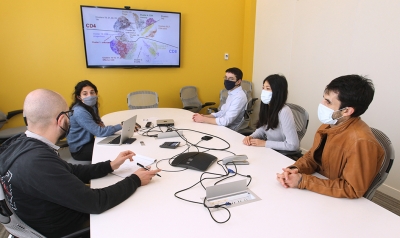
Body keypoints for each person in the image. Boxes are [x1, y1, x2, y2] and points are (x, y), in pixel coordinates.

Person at [0, 89, 161, 237]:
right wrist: (135, 180)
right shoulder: (36, 162)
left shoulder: (21, 144)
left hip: (44, 217)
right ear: (62, 119)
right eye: (69, 114)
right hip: (67, 229)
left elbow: (70, 170)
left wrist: (110, 165)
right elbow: (95, 203)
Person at [276, 75, 384, 198]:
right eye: (324, 99)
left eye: (328, 102)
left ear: (347, 111)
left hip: (340, 203)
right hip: (321, 190)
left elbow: (352, 189)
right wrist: (295, 170)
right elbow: (312, 157)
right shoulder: (328, 125)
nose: (322, 104)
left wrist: (302, 181)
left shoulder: (362, 142)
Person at [67, 80, 122, 161]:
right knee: (115, 150)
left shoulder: (92, 106)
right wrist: (120, 126)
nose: (90, 96)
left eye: (92, 92)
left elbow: (99, 123)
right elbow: (99, 132)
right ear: (79, 97)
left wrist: (100, 128)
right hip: (80, 149)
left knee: (117, 141)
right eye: (85, 94)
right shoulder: (79, 111)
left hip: (90, 141)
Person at [243, 74, 299, 151]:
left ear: (277, 92)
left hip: (282, 153)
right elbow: (263, 129)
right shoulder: (267, 106)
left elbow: (293, 145)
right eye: (263, 88)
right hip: (270, 150)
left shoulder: (284, 111)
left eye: (268, 88)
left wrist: (265, 143)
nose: (264, 91)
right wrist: (251, 137)